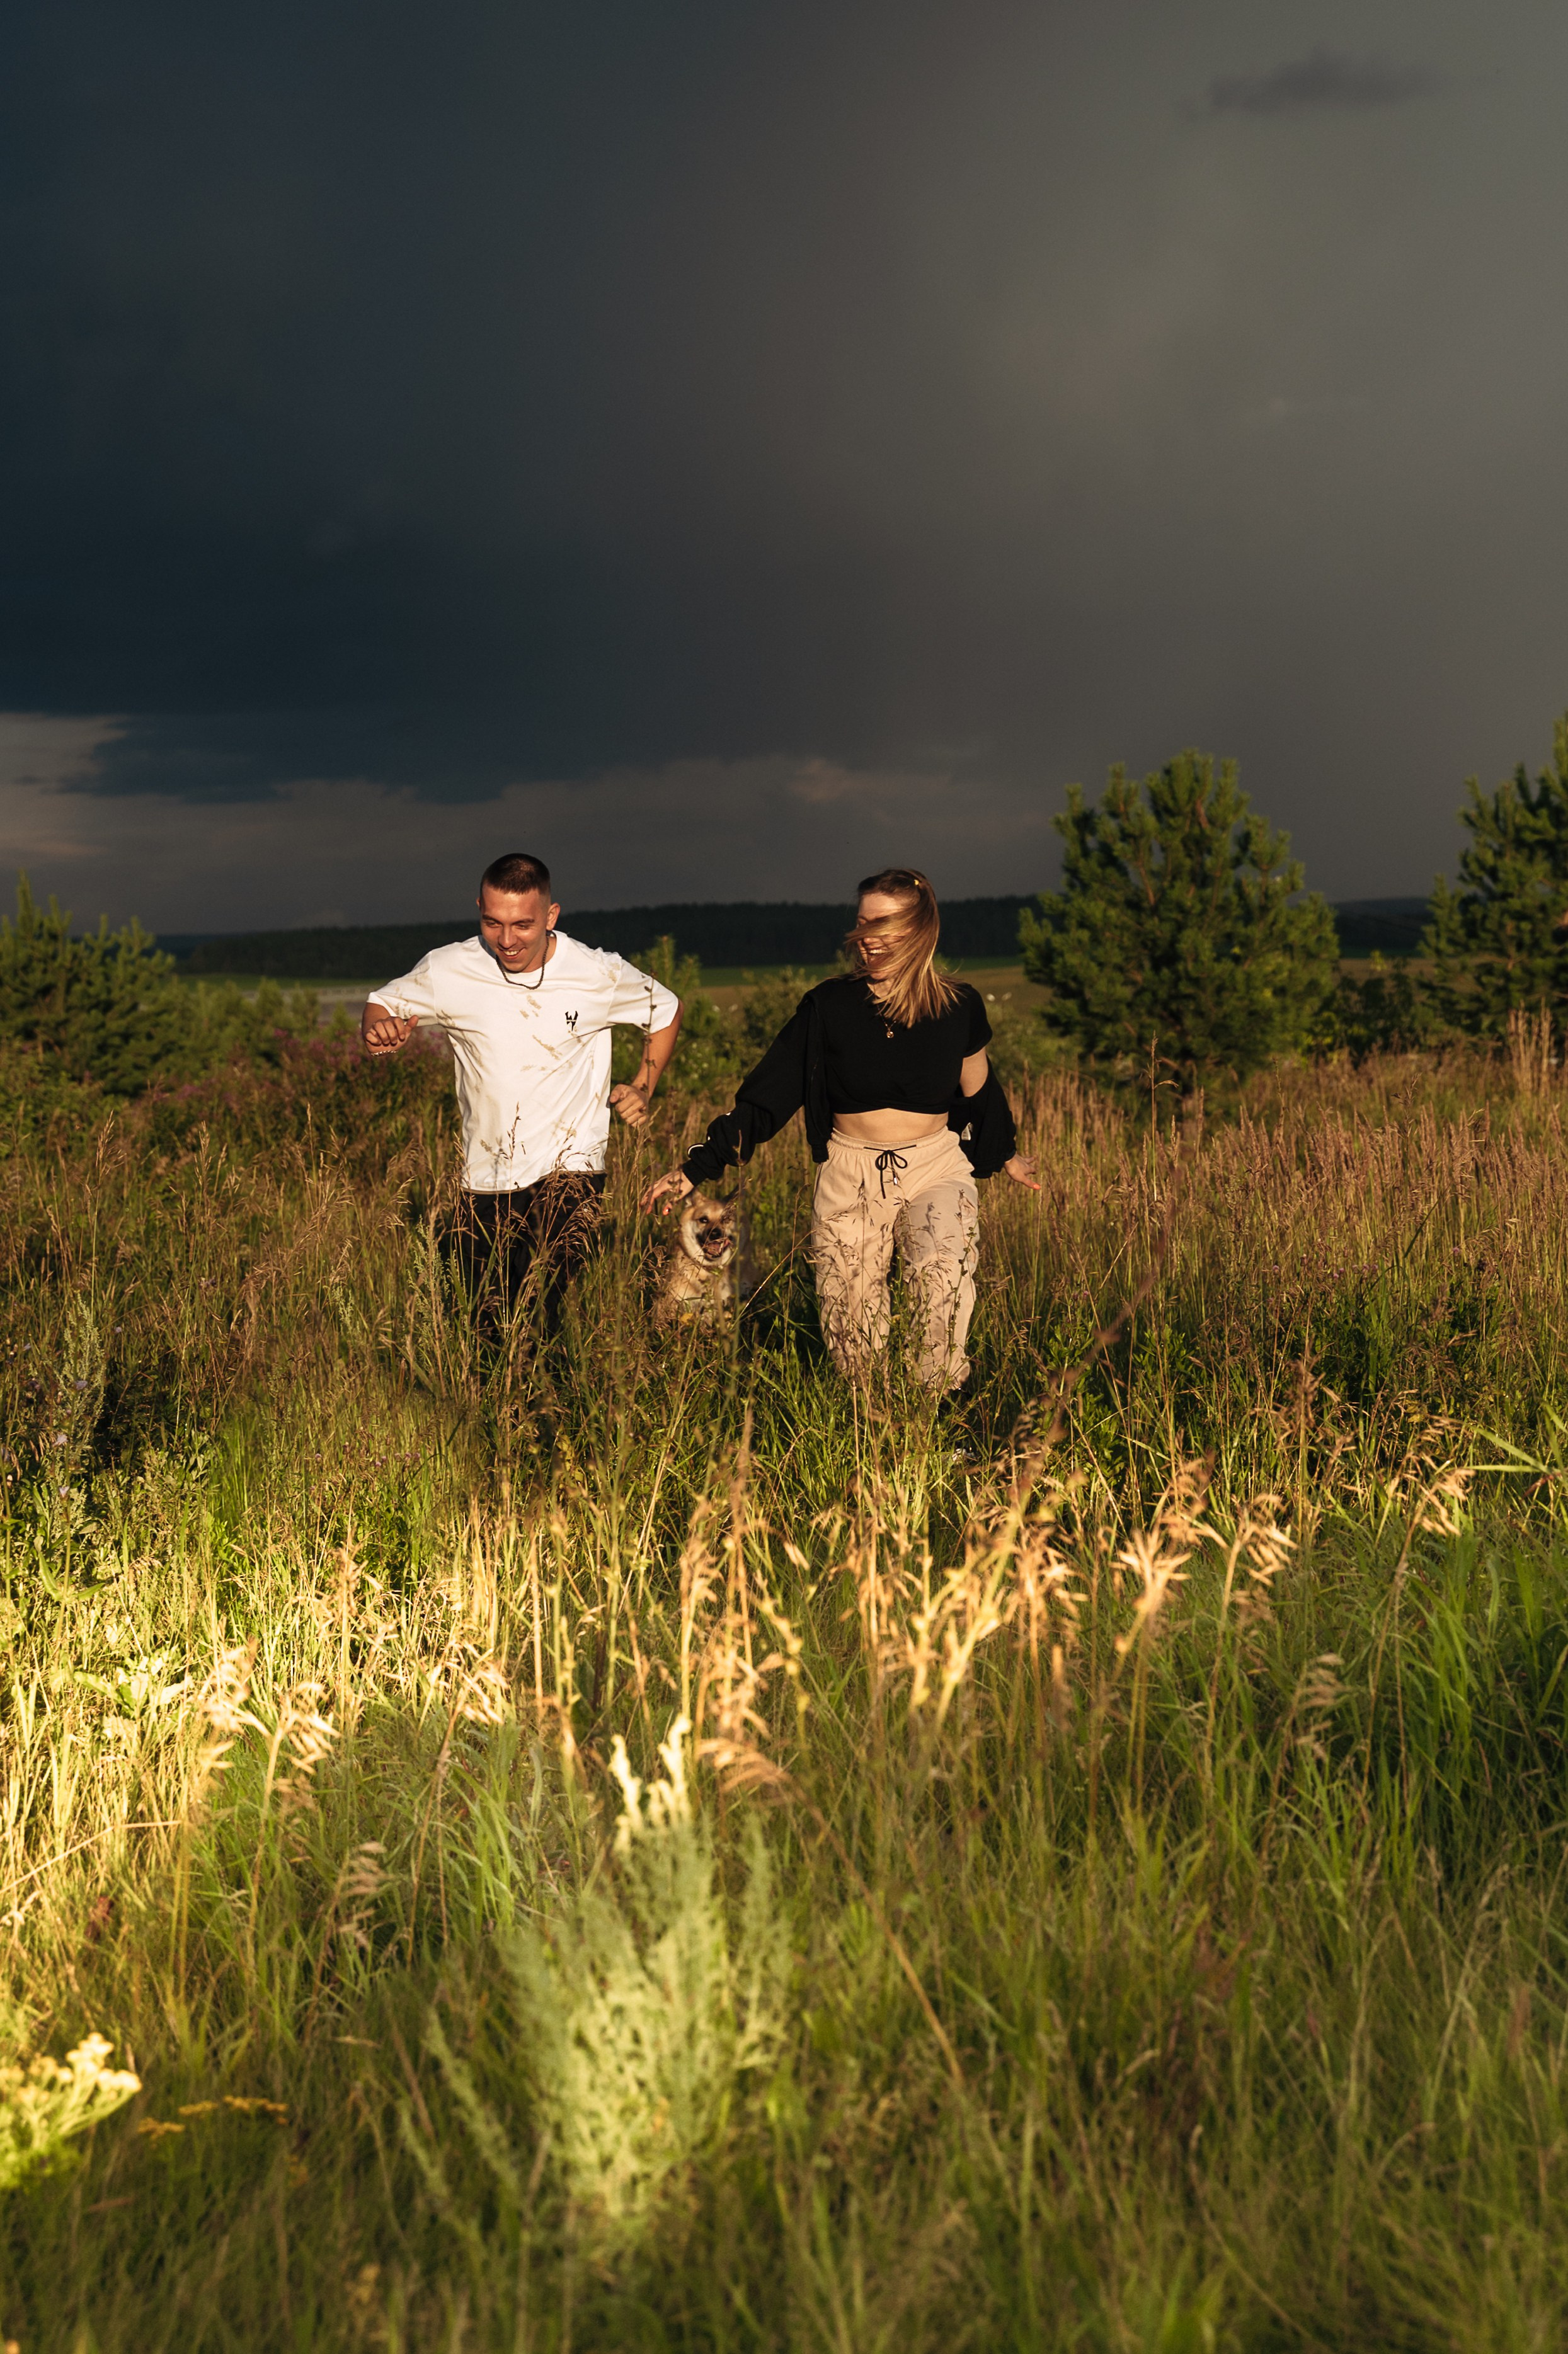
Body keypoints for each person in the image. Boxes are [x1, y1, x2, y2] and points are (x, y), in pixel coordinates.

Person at [641, 867, 1037, 1391]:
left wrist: (1005, 1153)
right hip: (849, 1168)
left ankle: (936, 1416)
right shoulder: (828, 1006)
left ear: (919, 929)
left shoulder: (958, 1005)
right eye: (861, 922)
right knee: (850, 1323)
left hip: (934, 1165)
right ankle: (873, 1428)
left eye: (882, 924)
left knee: (941, 1278)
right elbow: (768, 1096)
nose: (866, 936)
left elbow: (980, 1092)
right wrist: (697, 1166)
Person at [362, 851, 681, 1334]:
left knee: (535, 1312)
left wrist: (643, 1084)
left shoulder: (597, 974)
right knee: (486, 1322)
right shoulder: (451, 968)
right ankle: (507, 1405)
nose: (506, 940)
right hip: (484, 1177)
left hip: (569, 1175)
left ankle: (544, 1407)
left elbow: (666, 1009)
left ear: (551, 916)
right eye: (492, 922)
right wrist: (378, 1030)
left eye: (522, 925)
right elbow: (381, 1005)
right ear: (479, 910)